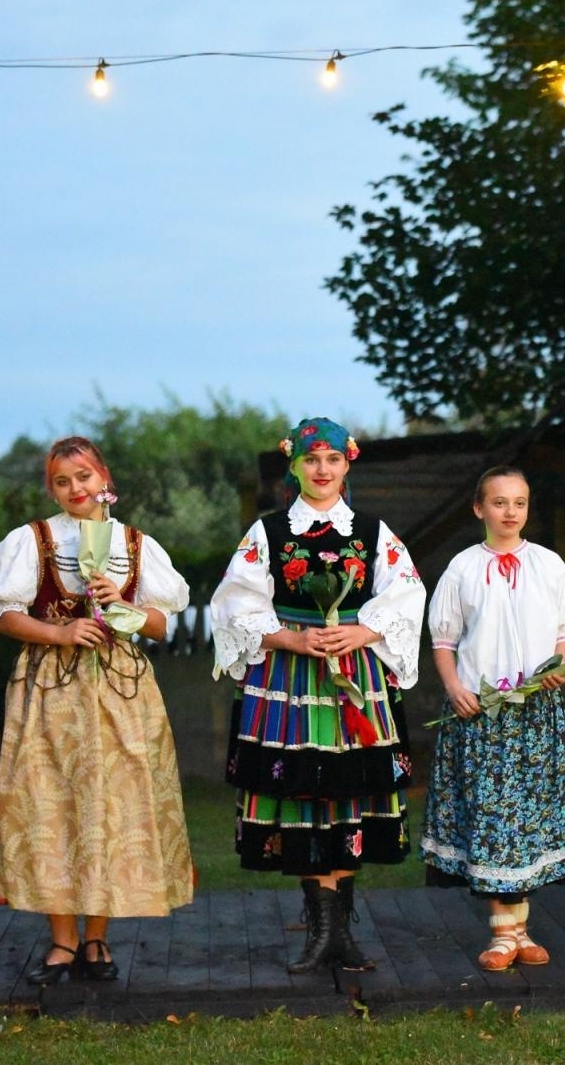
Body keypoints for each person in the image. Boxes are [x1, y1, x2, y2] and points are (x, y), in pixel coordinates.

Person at [209, 417, 425, 973]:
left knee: (351, 794)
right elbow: (234, 604)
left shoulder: (373, 531)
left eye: (332, 459)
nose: (322, 469)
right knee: (303, 790)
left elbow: (406, 593)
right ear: (295, 465)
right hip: (291, 676)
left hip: (355, 675)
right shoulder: (270, 533)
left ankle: (340, 932)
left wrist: (363, 631)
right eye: (311, 460)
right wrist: (292, 638)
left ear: (347, 463)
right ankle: (322, 928)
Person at [0, 436, 193, 985]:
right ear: (52, 488)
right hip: (50, 685)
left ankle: (96, 937)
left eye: (83, 477)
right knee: (49, 803)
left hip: (120, 687)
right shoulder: (34, 540)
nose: (75, 489)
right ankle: (62, 940)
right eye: (62, 481)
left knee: (111, 808)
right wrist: (60, 630)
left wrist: (122, 605)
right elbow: (1, 616)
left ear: (105, 480)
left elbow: (163, 624)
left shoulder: (135, 544)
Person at [422, 466, 565, 970]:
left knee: (527, 820)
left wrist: (559, 665)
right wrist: (454, 689)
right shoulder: (463, 568)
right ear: (479, 508)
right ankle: (501, 934)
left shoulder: (550, 566)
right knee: (493, 820)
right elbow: (445, 641)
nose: (509, 512)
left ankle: (520, 930)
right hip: (481, 712)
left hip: (533, 712)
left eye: (519, 502)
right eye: (499, 502)